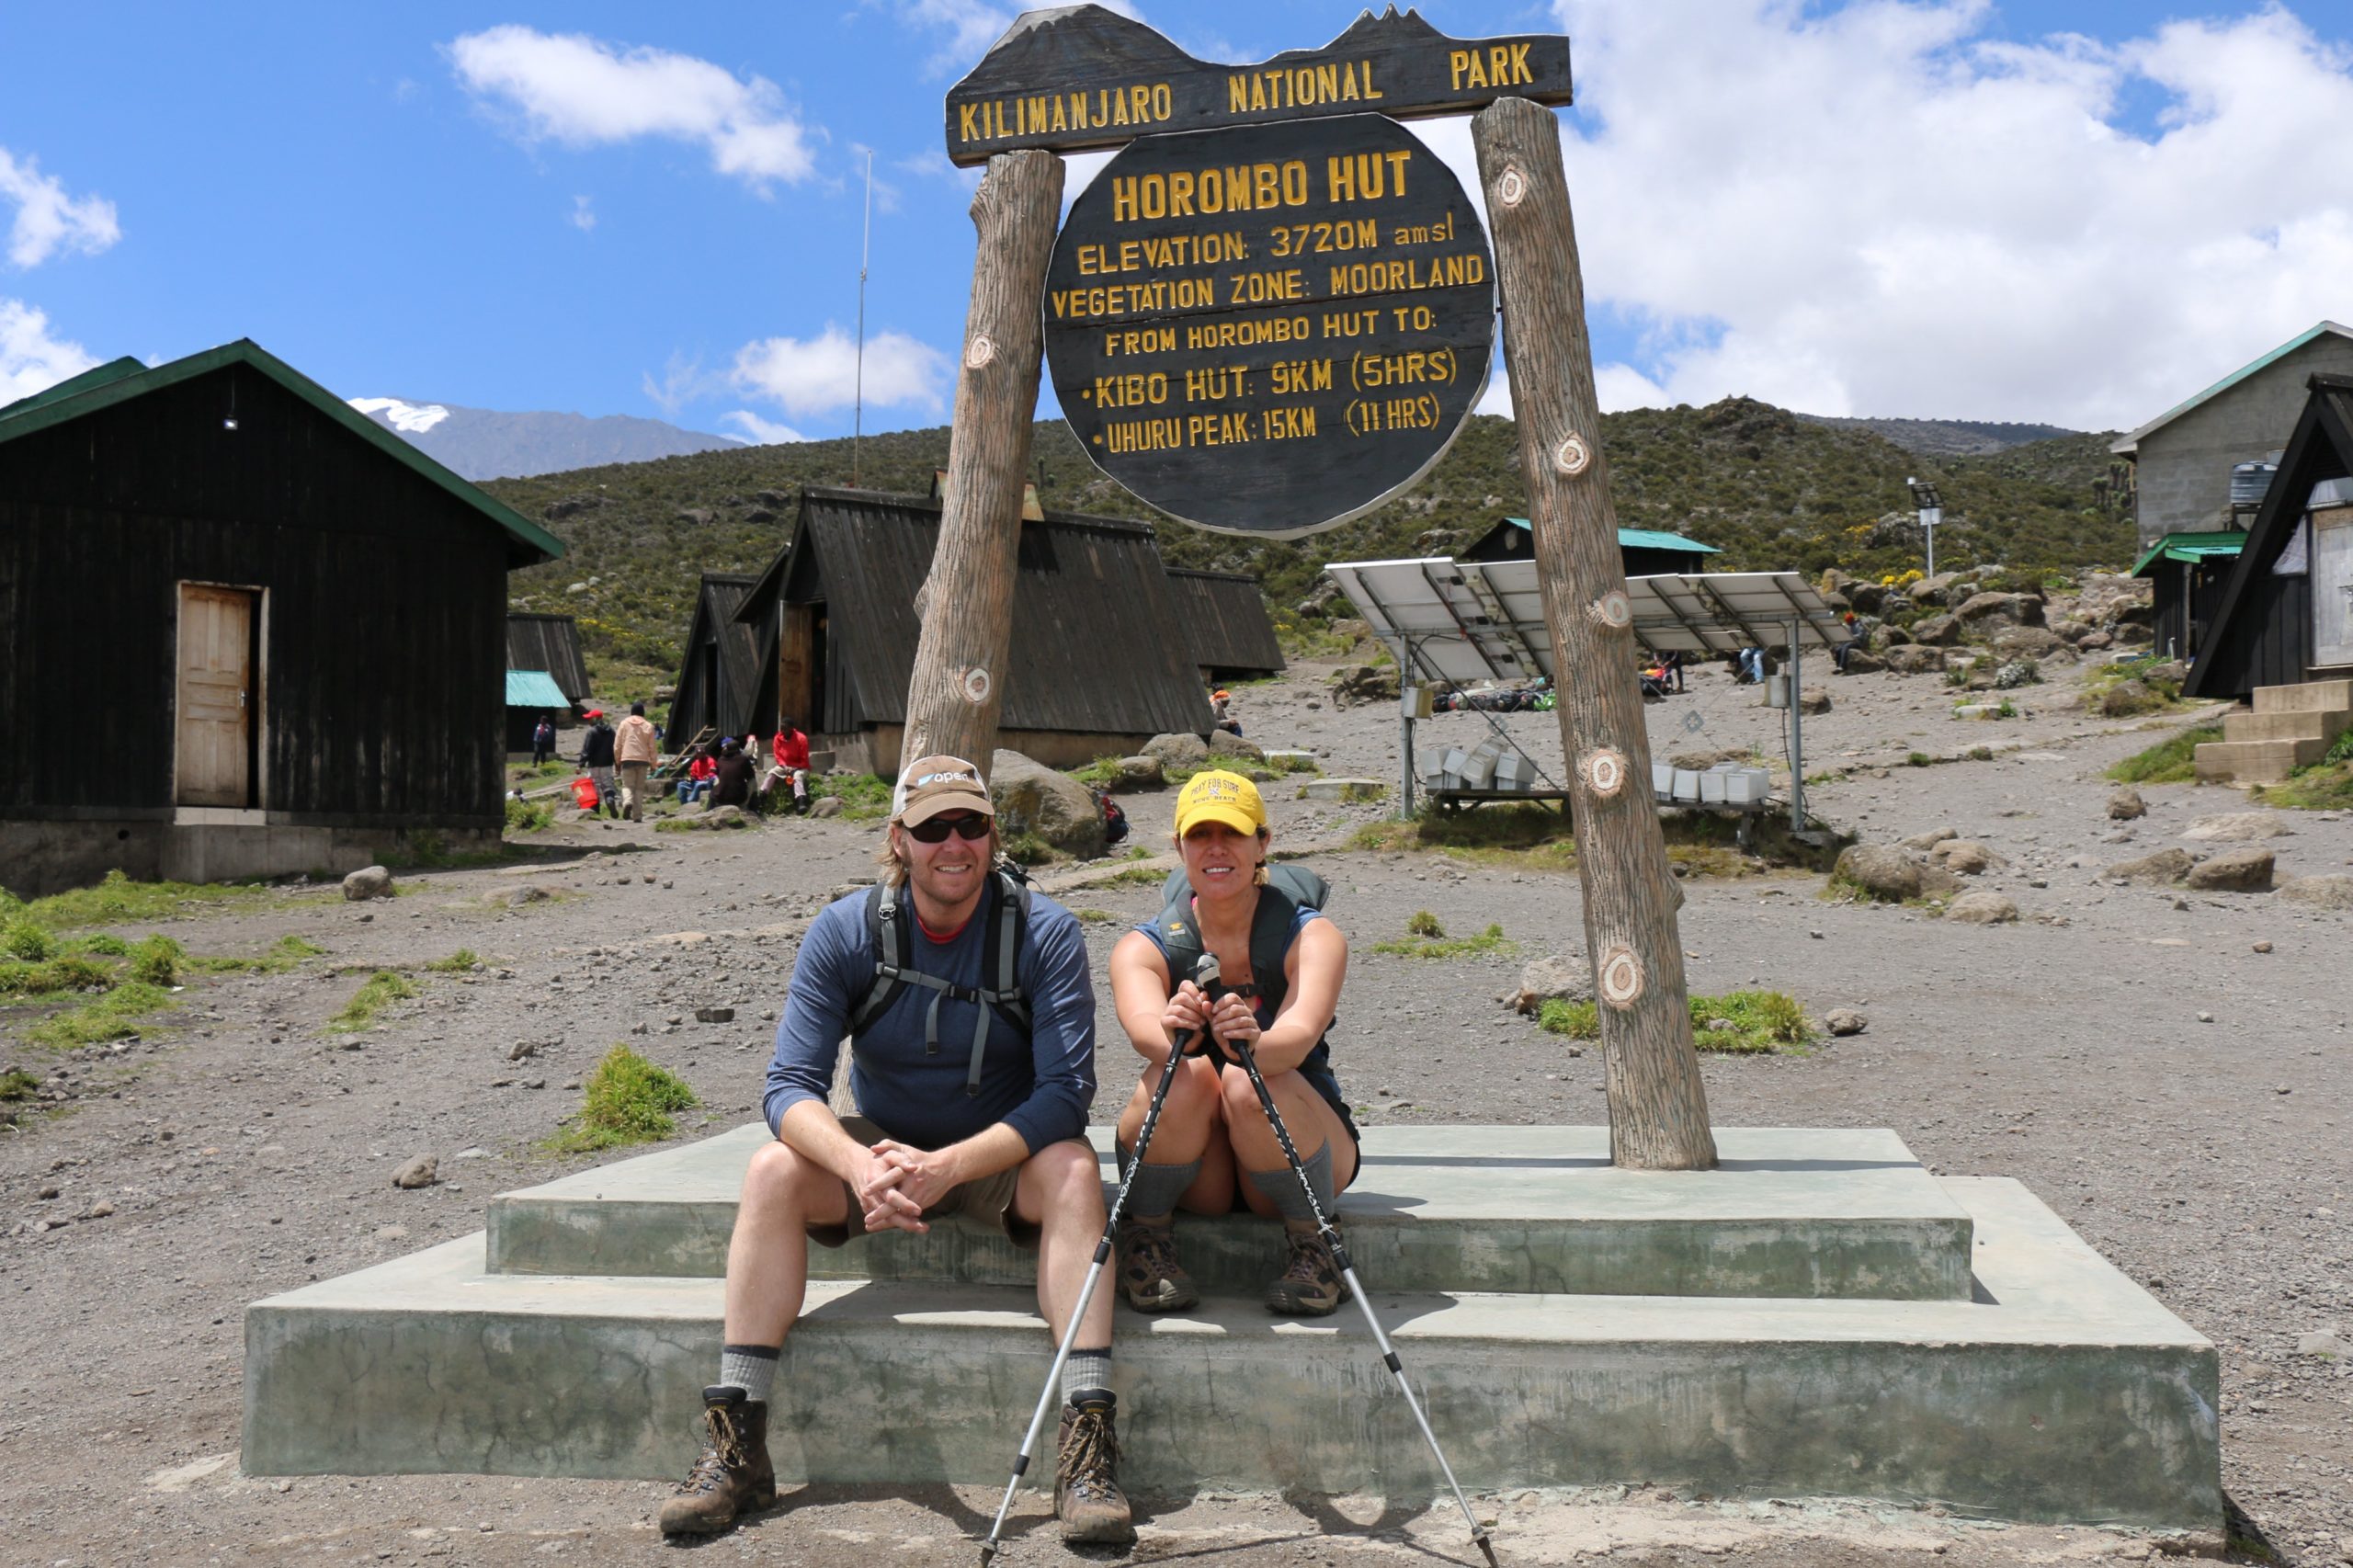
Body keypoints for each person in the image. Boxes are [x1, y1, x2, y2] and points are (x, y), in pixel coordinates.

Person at [660, 756, 1129, 1543]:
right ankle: (735, 1443)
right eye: (932, 828)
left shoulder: (1043, 932)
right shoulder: (845, 932)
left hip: (1000, 1156)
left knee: (1078, 1170)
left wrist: (949, 1166)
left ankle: (1087, 1452)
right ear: (898, 841)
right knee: (774, 1168)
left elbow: (1064, 1095)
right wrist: (860, 1165)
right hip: (879, 1150)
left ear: (992, 834)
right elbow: (788, 1089)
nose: (955, 844)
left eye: (971, 825)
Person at [1105, 770, 1358, 1321]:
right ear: (1178, 848)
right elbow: (1143, 1030)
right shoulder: (1141, 947)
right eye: (1200, 835)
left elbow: (1295, 1040)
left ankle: (1314, 1239)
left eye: (1234, 833)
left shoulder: (1313, 936)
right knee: (1182, 1074)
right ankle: (1146, 1236)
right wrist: (1176, 1033)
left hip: (1302, 1140)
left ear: (1262, 843)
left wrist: (1250, 1041)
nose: (1216, 848)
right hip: (1209, 1168)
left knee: (1248, 1078)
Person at [614, 701, 660, 822]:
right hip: (643, 760)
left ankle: (627, 802)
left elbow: (617, 746)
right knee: (639, 788)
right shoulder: (648, 726)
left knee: (627, 785)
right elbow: (652, 747)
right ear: (643, 712)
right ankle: (637, 816)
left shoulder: (624, 724)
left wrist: (617, 762)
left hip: (627, 759)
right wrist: (654, 764)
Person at [762, 718, 813, 814]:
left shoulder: (801, 738)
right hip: (784, 766)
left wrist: (794, 767)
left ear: (791, 728)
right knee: (772, 773)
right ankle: (762, 797)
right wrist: (785, 766)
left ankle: (800, 802)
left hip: (800, 767)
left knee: (798, 776)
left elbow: (804, 760)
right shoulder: (778, 738)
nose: (783, 731)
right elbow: (778, 756)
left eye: (785, 729)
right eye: (781, 729)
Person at [577, 710, 618, 819]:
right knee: (608, 785)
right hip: (607, 764)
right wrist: (616, 763)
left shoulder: (592, 732)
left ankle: (595, 812)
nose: (588, 720)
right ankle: (610, 800)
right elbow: (615, 749)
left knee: (594, 788)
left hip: (594, 765)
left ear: (595, 719)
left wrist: (580, 764)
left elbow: (586, 750)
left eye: (590, 718)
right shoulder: (612, 732)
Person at [710, 738, 754, 810]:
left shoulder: (720, 759)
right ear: (738, 749)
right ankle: (754, 808)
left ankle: (709, 810)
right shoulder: (743, 759)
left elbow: (719, 774)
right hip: (738, 800)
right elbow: (750, 776)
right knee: (753, 781)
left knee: (717, 780)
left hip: (720, 799)